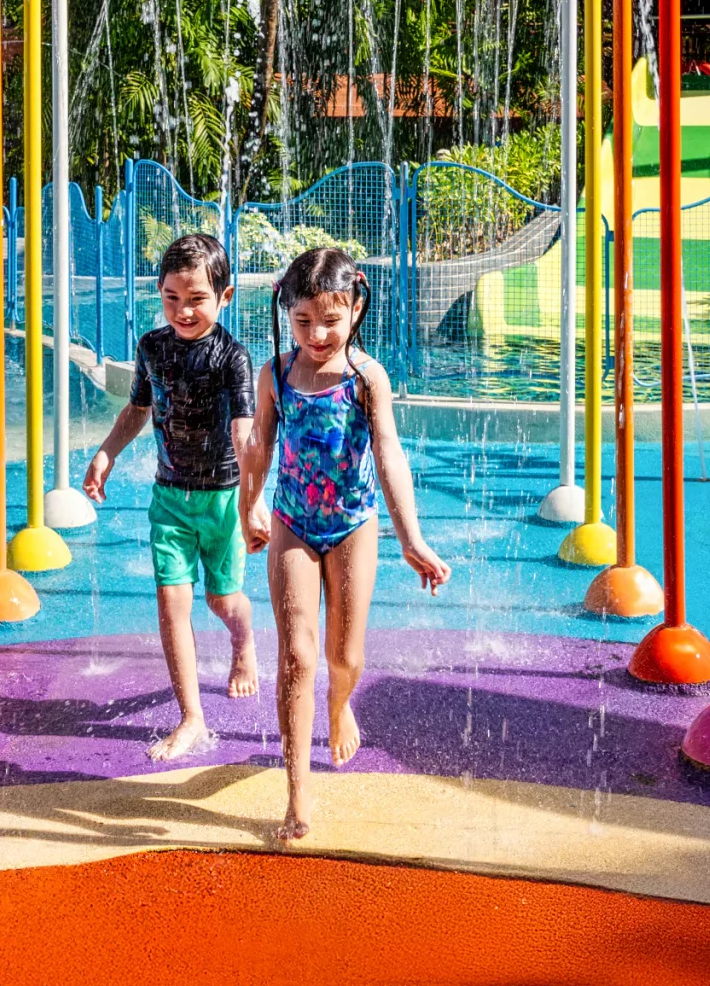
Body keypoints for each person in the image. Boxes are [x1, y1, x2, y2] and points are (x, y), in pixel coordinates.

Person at [242, 245, 449, 843]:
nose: (317, 333)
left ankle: (341, 702)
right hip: (292, 523)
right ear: (287, 314)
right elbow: (259, 444)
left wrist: (411, 537)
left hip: (354, 525)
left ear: (356, 307)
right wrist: (249, 505)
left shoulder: (366, 378)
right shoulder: (277, 374)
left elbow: (387, 452)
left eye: (330, 320)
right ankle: (297, 794)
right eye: (303, 321)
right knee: (296, 656)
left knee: (344, 659)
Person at [82, 231, 260, 761]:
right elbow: (138, 409)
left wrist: (254, 500)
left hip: (223, 498)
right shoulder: (152, 349)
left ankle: (243, 640)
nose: (183, 311)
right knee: (172, 603)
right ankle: (191, 718)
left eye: (197, 299)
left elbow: (243, 431)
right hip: (169, 498)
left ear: (224, 298)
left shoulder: (232, 356)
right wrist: (106, 453)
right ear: (159, 292)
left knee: (221, 601)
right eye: (172, 298)